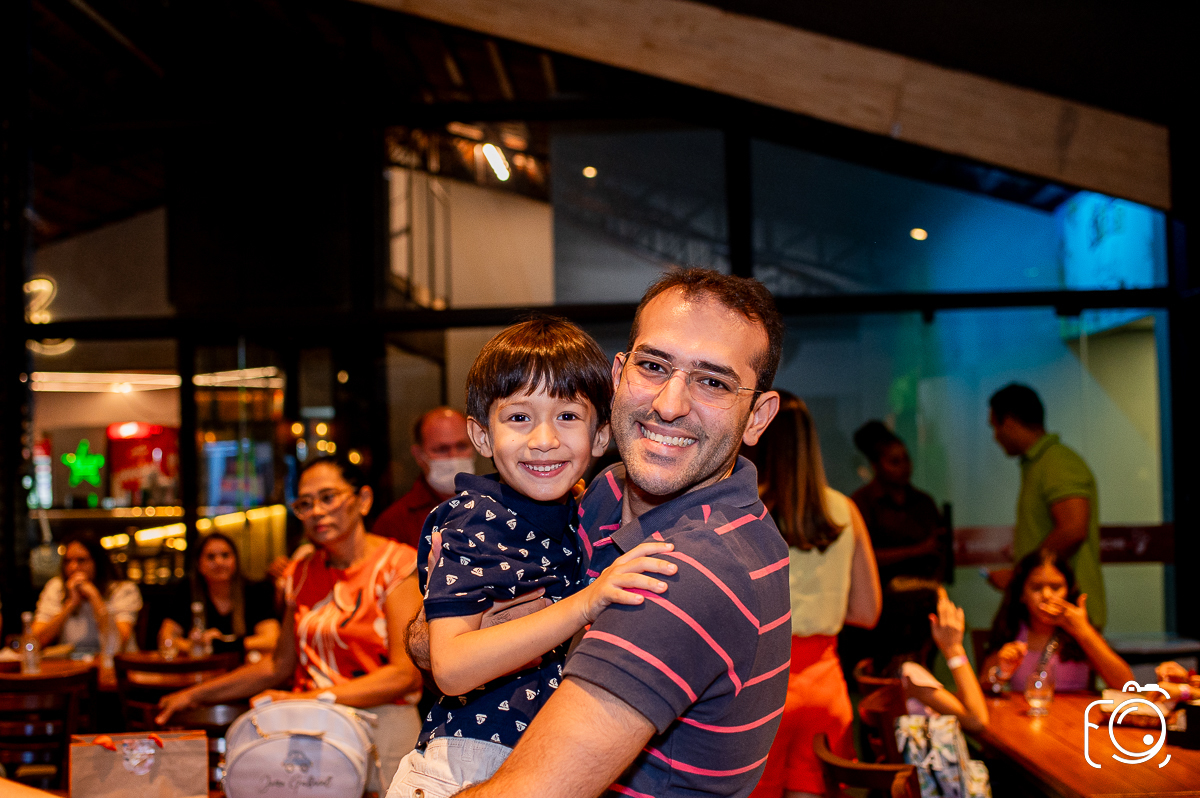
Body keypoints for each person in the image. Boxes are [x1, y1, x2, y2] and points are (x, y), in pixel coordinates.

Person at [446, 267, 791, 798]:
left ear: (757, 417)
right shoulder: (604, 491)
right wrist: (447, 633)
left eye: (713, 382)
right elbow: (427, 600)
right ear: (618, 374)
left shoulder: (687, 569)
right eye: (654, 366)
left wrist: (470, 634)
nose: (669, 405)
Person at [387, 316, 675, 798]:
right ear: (482, 436)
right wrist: (587, 603)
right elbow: (452, 666)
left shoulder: (571, 511)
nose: (544, 439)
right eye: (519, 417)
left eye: (568, 416)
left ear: (600, 436)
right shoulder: (476, 520)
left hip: (536, 761)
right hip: (465, 765)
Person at [156, 455, 424, 791]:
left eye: (328, 497)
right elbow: (277, 665)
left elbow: (403, 674)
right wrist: (195, 694)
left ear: (364, 500)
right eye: (305, 504)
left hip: (383, 726)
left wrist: (308, 699)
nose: (316, 511)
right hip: (315, 731)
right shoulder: (302, 573)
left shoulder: (397, 565)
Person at [743, 392, 881, 798]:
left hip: (758, 686)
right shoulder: (845, 510)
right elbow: (867, 611)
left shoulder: (742, 510)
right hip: (825, 686)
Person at [988, 383, 1106, 629]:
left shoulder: (1057, 461)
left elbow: (1073, 530)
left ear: (1009, 423)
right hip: (1048, 612)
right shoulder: (1038, 464)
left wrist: (1020, 575)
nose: (995, 437)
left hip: (1067, 612)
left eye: (995, 427)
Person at [981, 549, 1132, 692]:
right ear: (1022, 594)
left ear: (1068, 591)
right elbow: (984, 687)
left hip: (1076, 711)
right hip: (1027, 709)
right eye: (1036, 588)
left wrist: (1083, 630)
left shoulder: (1079, 633)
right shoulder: (1012, 629)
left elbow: (1127, 686)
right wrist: (1002, 671)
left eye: (1055, 587)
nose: (1046, 595)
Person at [156, 532, 280, 658]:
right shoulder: (187, 591)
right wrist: (199, 646)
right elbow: (166, 639)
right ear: (199, 564)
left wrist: (223, 645)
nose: (219, 562)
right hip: (202, 667)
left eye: (225, 555)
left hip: (247, 668)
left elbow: (272, 640)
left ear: (236, 560)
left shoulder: (256, 591)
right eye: (211, 557)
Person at [851, 420, 945, 586]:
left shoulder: (924, 502)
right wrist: (917, 550)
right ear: (876, 465)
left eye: (906, 459)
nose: (904, 467)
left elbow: (939, 552)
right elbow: (862, 557)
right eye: (895, 462)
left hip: (924, 591)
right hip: (882, 594)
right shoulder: (862, 503)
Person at [373, 407, 475, 550]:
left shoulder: (497, 504)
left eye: (462, 446)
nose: (454, 457)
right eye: (442, 449)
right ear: (419, 455)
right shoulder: (393, 523)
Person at [32, 530, 142, 655]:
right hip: (71, 665)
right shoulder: (56, 588)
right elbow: (34, 642)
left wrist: (94, 597)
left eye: (81, 560)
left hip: (115, 663)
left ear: (97, 562)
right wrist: (70, 605)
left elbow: (118, 644)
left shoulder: (123, 590)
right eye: (68, 561)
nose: (73, 567)